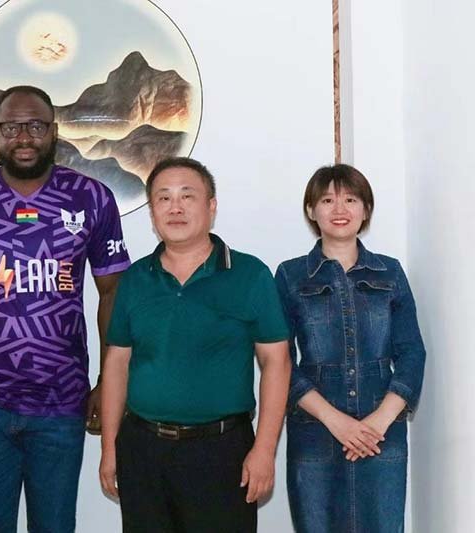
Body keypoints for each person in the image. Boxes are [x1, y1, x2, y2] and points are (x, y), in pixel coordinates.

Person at [0, 85, 131, 532]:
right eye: (11, 127)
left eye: (35, 126)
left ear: (54, 131)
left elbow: (113, 293)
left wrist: (106, 385)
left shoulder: (91, 198)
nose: (24, 137)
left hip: (62, 403)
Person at [99, 157, 291, 532]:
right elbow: (117, 363)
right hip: (143, 450)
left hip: (221, 451)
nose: (175, 207)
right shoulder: (135, 278)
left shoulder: (249, 274)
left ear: (211, 206)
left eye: (187, 196)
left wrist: (265, 450)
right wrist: (110, 448)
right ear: (152, 212)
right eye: (163, 198)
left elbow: (277, 363)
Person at [274, 164, 426, 533]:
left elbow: (411, 352)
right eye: (327, 200)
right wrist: (335, 420)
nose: (339, 209)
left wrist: (378, 422)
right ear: (311, 210)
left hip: (382, 432)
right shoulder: (290, 275)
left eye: (351, 200)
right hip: (315, 430)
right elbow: (280, 361)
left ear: (366, 209)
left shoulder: (390, 272)